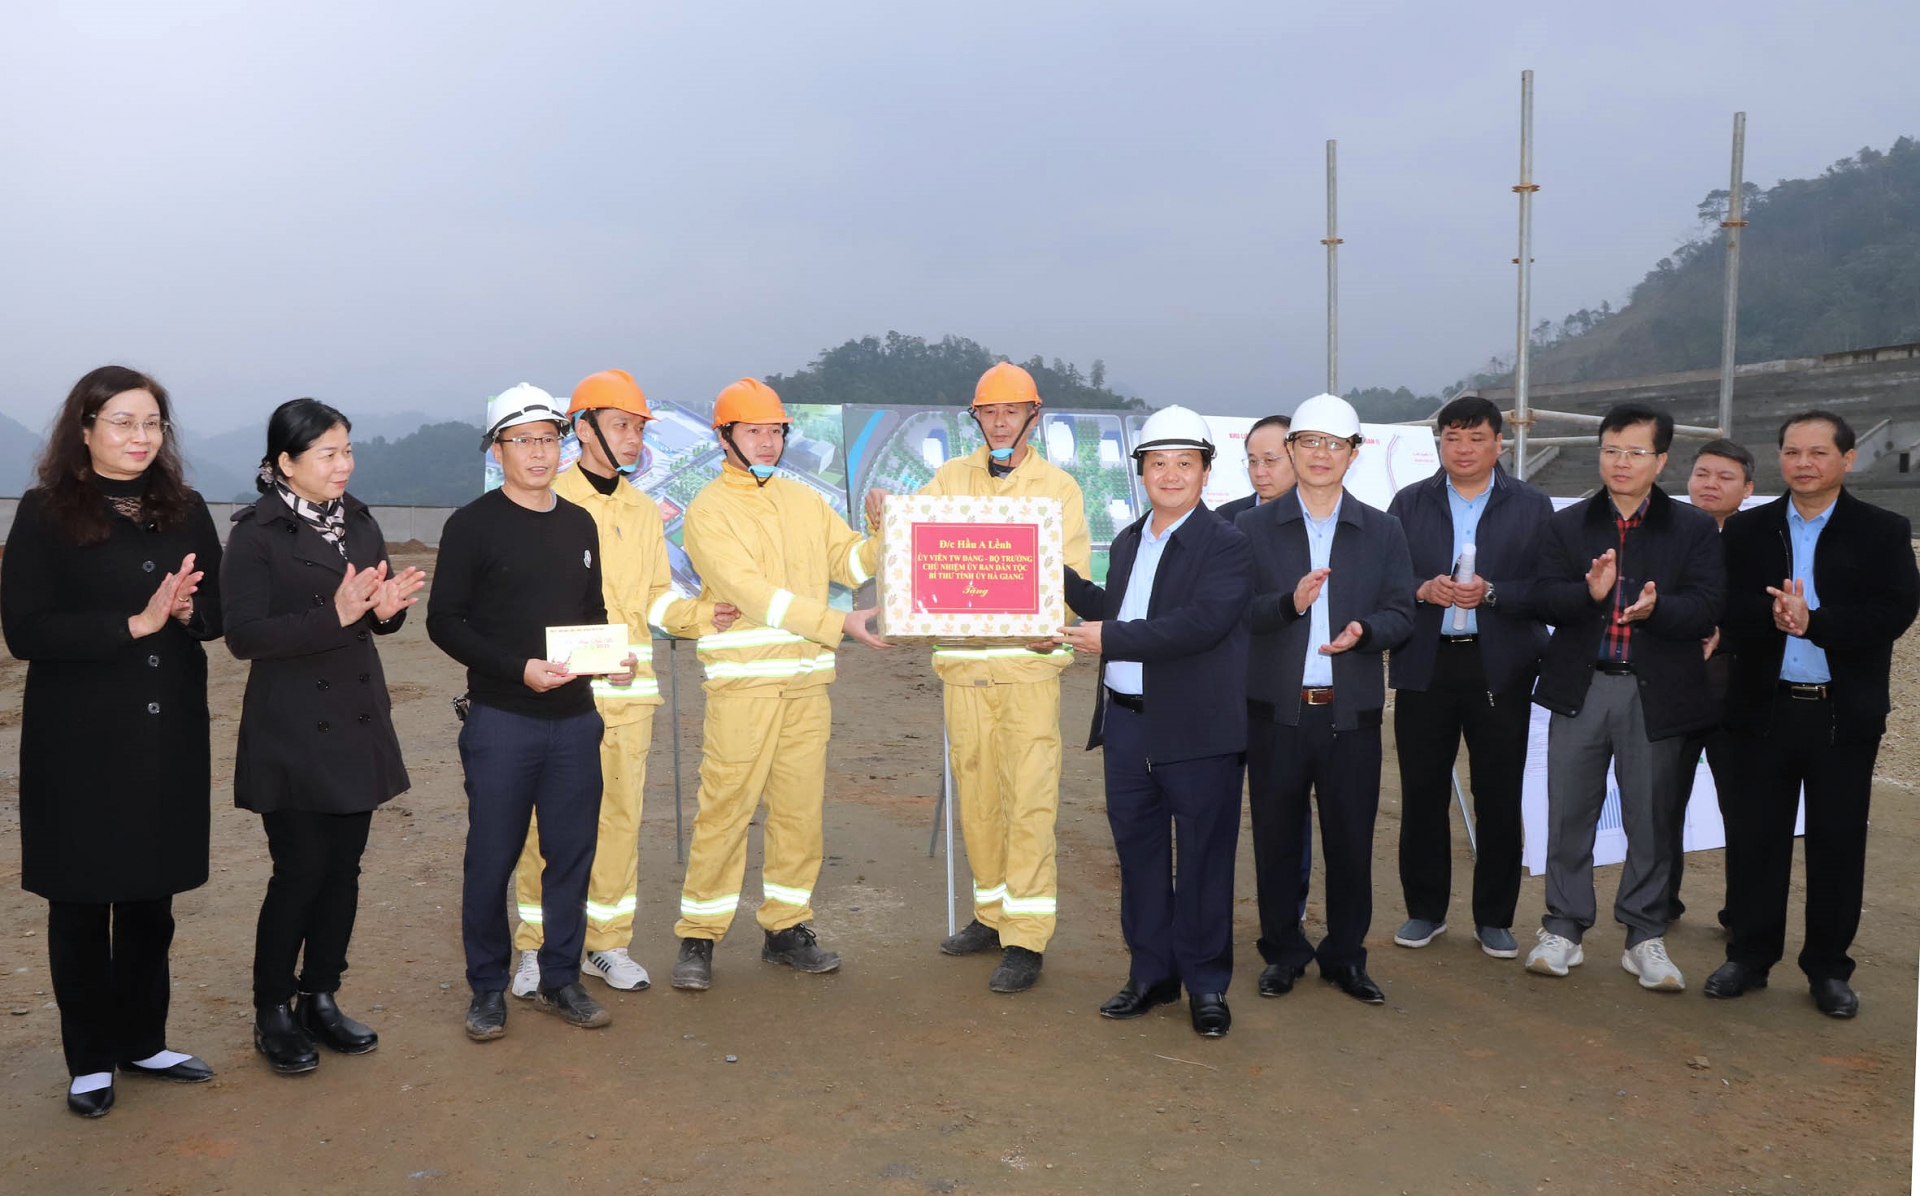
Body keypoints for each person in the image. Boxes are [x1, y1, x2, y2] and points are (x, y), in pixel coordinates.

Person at [1, 366, 224, 1118]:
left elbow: (215, 615)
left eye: (152, 423)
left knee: (148, 899)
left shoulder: (186, 510)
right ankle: (90, 1058)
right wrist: (131, 624)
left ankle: (142, 1038)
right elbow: (25, 631)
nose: (139, 437)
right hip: (80, 740)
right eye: (123, 422)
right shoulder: (44, 513)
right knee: (79, 900)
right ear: (86, 428)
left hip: (166, 732)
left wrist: (188, 611)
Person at [859, 362, 1091, 993]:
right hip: (963, 671)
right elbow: (911, 553)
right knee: (980, 801)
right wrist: (883, 515)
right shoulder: (948, 478)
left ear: (1032, 416)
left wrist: (1057, 616)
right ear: (976, 418)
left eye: (1010, 412)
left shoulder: (1058, 488)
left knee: (1030, 802)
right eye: (988, 413)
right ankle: (990, 916)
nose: (998, 422)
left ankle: (1025, 937)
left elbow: (1070, 574)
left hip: (1026, 671)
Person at [508, 371, 733, 999]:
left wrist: (698, 614)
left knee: (619, 822)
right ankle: (537, 950)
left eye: (638, 427)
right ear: (583, 430)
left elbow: (656, 602)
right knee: (544, 828)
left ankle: (605, 945)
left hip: (628, 701)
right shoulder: (548, 497)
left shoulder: (641, 508)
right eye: (621, 425)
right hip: (559, 696)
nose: (633, 438)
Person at [222, 399, 426, 1073]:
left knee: (343, 870)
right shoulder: (255, 533)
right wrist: (332, 613)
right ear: (286, 462)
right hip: (291, 728)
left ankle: (321, 995)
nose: (345, 465)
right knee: (300, 870)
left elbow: (371, 612)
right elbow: (245, 636)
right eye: (328, 454)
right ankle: (271, 1009)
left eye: (347, 450)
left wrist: (386, 612)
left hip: (356, 718)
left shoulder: (358, 520)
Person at [668, 379, 888, 991]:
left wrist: (883, 532)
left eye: (775, 431)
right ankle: (699, 936)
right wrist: (834, 623)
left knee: (799, 814)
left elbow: (847, 563)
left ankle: (786, 928)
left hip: (805, 686)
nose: (767, 442)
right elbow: (749, 592)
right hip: (743, 688)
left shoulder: (804, 501)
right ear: (725, 437)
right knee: (725, 811)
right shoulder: (708, 510)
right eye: (754, 431)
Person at [1705, 411, 1919, 1017]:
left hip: (1840, 715)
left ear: (1847, 460)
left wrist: (1815, 624)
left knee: (1837, 842)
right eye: (1793, 452)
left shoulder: (1881, 530)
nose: (1804, 463)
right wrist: (1770, 618)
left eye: (1818, 452)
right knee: (1755, 840)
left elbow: (1895, 612)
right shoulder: (1747, 532)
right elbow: (1726, 605)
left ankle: (1828, 968)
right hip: (1760, 710)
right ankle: (1748, 957)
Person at [428, 384, 616, 1041]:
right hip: (502, 722)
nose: (539, 452)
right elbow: (443, 623)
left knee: (570, 856)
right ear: (497, 449)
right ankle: (487, 988)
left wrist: (606, 656)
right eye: (523, 439)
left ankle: (562, 978)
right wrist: (518, 669)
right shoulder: (472, 526)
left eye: (549, 437)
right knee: (492, 858)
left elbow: (590, 614)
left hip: (575, 721)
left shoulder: (578, 524)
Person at [1059, 406, 1251, 1038]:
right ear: (1140, 472)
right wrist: (1035, 570)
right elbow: (1111, 606)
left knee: (1202, 859)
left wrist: (1108, 636)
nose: (1171, 475)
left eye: (1184, 464)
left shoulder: (1226, 544)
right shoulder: (1129, 539)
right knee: (1138, 855)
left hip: (1197, 731)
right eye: (1158, 463)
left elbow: (1201, 623)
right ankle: (1150, 973)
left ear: (1204, 471)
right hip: (1128, 727)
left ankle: (1205, 985)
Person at [1526, 403, 1724, 992]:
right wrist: (1587, 594)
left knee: (1652, 815)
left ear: (1662, 459)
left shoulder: (1691, 528)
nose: (1620, 462)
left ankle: (1644, 935)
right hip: (1582, 687)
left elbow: (1709, 606)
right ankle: (1563, 926)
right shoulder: (1567, 524)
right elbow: (1542, 598)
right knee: (1568, 813)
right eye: (1611, 450)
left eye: (1635, 452)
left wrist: (1660, 609)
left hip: (1654, 691)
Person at [1236, 393, 1413, 1006]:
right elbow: (1236, 614)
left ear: (1354, 454)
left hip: (1351, 714)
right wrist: (1289, 604)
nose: (1321, 455)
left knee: (1350, 842)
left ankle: (1345, 954)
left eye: (1334, 444)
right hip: (1276, 714)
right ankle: (1283, 951)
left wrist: (1366, 632)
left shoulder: (1383, 529)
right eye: (1309, 442)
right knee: (1278, 841)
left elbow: (1402, 612)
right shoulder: (1252, 528)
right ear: (1291, 449)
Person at [1387, 397, 1552, 959]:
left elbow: (1548, 588)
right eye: (1452, 438)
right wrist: (1420, 588)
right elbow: (1386, 578)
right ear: (1439, 443)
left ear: (1499, 443)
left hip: (1498, 664)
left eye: (1476, 438)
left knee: (1499, 795)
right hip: (1424, 664)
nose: (1463, 449)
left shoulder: (1531, 505)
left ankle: (1494, 918)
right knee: (1423, 792)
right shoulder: (1409, 503)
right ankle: (1425, 910)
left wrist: (1494, 593)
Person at [1216, 413, 1312, 922]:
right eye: (1252, 461)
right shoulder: (1224, 520)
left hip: (1285, 694)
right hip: (1224, 691)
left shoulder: (1319, 527)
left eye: (1271, 460)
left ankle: (1287, 914)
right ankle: (1212, 909)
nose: (1260, 471)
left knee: (1287, 812)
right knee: (1213, 808)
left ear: (1297, 458)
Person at [1667, 438, 1755, 925]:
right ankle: (1659, 902)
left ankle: (1742, 912)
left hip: (1738, 697)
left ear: (1748, 488)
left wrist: (1723, 628)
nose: (1711, 484)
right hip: (1674, 693)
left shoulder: (1762, 539)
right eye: (1703, 473)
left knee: (1742, 811)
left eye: (1725, 477)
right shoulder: (1667, 531)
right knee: (1663, 806)